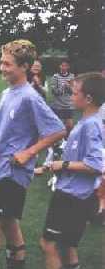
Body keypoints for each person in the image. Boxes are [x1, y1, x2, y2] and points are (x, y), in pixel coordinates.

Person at [0, 39, 66, 269]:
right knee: (9, 223)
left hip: (13, 172)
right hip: (0, 168)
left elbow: (58, 130)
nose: (2, 68)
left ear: (25, 66)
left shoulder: (30, 96)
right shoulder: (5, 94)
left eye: (8, 64)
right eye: (1, 62)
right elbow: (0, 134)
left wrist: (29, 152)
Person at [39, 72, 105, 269]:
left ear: (88, 99)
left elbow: (95, 165)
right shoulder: (86, 123)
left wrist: (63, 165)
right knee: (67, 245)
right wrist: (49, 166)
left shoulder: (91, 126)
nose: (71, 96)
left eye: (75, 93)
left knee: (47, 244)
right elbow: (77, 160)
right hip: (77, 194)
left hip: (71, 196)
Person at [50, 59, 75, 134]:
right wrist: (63, 86)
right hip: (58, 105)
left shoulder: (72, 76)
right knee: (58, 126)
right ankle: (58, 141)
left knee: (70, 125)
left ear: (68, 67)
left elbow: (73, 92)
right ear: (59, 66)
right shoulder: (55, 76)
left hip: (68, 105)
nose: (64, 67)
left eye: (66, 65)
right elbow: (54, 92)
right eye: (62, 65)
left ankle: (67, 140)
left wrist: (69, 87)